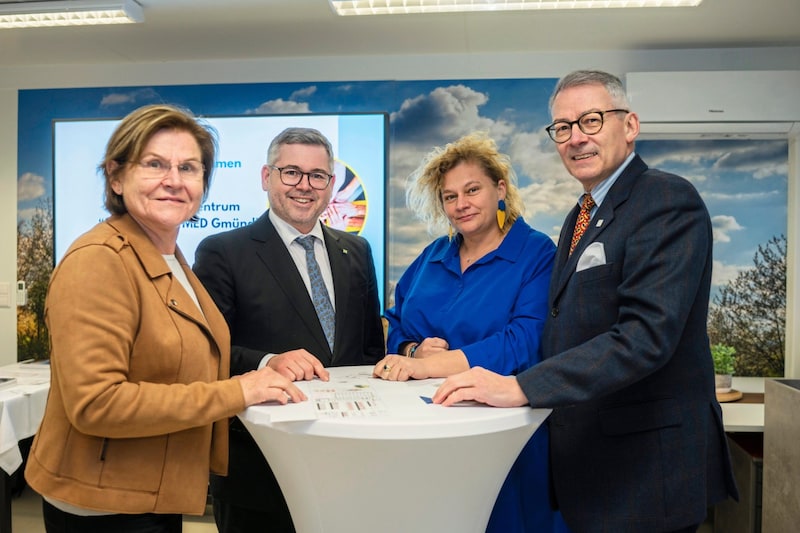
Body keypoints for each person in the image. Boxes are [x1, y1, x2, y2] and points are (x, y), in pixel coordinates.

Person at [433, 70, 740, 533]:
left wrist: (522, 387)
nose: (576, 138)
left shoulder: (666, 199)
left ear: (630, 125)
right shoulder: (580, 214)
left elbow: (645, 336)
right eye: (563, 127)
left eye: (591, 121)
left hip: (645, 473)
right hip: (594, 468)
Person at [24, 104, 305, 533]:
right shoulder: (99, 260)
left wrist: (265, 365)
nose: (174, 180)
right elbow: (97, 404)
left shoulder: (168, 256)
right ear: (116, 177)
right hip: (106, 506)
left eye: (189, 168)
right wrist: (236, 392)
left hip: (150, 490)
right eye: (155, 164)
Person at [373, 132, 568, 533]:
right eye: (449, 196)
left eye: (472, 189)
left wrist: (432, 367)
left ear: (500, 189)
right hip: (427, 435)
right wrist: (412, 353)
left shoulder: (536, 253)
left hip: (502, 437)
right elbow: (395, 323)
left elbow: (525, 342)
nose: (461, 204)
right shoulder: (432, 256)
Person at [193, 127, 385, 533]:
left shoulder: (357, 251)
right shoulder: (223, 252)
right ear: (267, 177)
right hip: (260, 469)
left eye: (317, 175)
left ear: (331, 185)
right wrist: (267, 362)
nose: (305, 185)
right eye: (291, 172)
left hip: (348, 462)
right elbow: (207, 354)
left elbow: (369, 351)